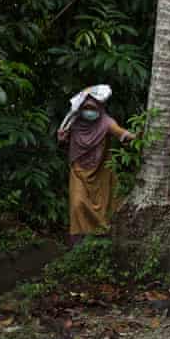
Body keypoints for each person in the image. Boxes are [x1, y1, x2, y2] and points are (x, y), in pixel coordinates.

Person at [57, 85, 135, 246]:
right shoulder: (73, 122)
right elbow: (63, 144)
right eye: (85, 108)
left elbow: (120, 133)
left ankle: (101, 241)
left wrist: (136, 136)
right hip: (78, 171)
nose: (89, 111)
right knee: (78, 204)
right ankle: (78, 244)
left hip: (101, 171)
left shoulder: (106, 122)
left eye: (92, 108)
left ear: (100, 108)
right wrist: (62, 139)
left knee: (104, 205)